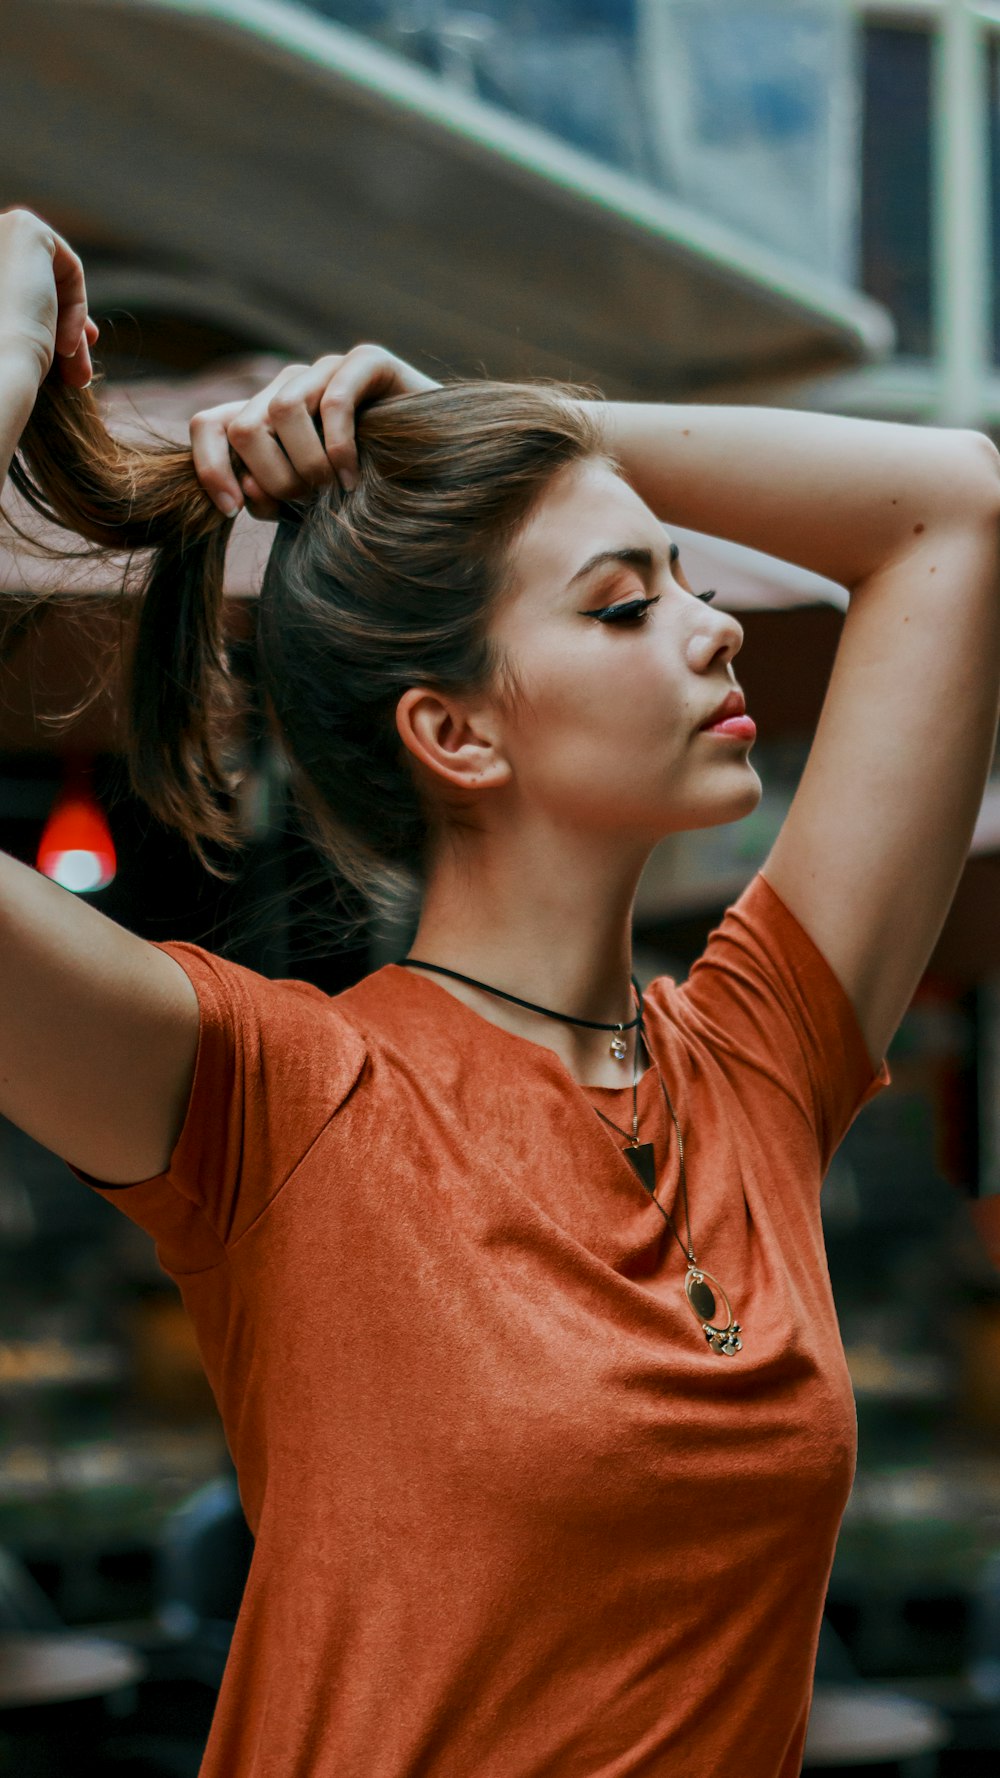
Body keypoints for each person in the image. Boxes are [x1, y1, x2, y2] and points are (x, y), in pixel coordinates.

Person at [1, 207, 998, 1778]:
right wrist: (4, 345)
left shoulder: (756, 1058)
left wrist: (493, 429)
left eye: (684, 578)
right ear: (455, 736)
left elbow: (957, 508)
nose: (715, 617)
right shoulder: (280, 1100)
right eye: (625, 602)